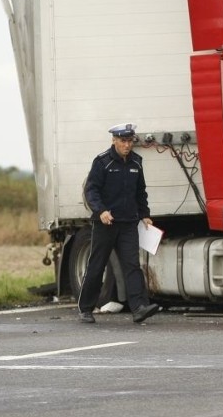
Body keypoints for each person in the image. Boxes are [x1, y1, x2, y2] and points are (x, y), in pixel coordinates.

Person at [78, 123, 159, 324]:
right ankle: (86, 308)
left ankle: (139, 307)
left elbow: (140, 192)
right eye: (123, 141)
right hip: (106, 223)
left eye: (130, 141)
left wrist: (144, 214)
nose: (127, 145)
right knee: (97, 265)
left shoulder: (136, 163)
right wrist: (101, 210)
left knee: (132, 265)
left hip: (128, 223)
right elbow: (92, 190)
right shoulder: (102, 162)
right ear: (114, 140)